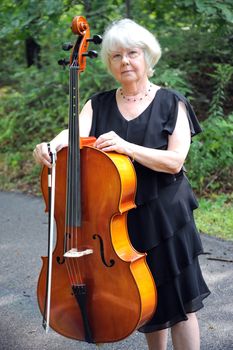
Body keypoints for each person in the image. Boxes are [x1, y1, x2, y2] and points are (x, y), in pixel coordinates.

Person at [33, 19, 210, 350]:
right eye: (116, 56)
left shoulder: (172, 102)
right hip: (121, 219)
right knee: (148, 304)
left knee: (181, 306)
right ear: (109, 63)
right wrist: (48, 146)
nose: (125, 62)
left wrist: (128, 148)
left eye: (132, 53)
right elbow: (71, 134)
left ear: (148, 58)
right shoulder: (97, 104)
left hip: (166, 216)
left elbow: (175, 161)